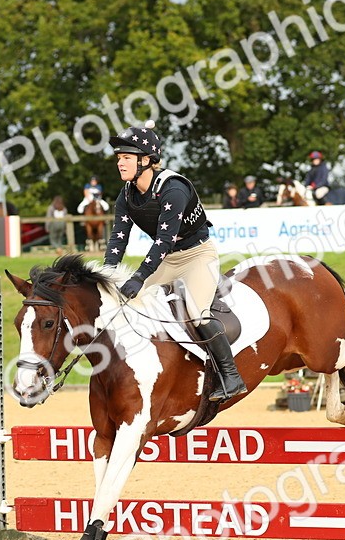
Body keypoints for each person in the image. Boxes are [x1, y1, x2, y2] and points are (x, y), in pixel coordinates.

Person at [103, 124, 247, 402]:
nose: (119, 162)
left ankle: (231, 376)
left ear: (146, 160)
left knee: (197, 312)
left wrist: (140, 275)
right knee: (127, 302)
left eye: (126, 157)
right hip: (167, 259)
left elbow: (164, 240)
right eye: (119, 157)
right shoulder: (127, 193)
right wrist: (109, 275)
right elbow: (118, 240)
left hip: (197, 256)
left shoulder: (173, 189)